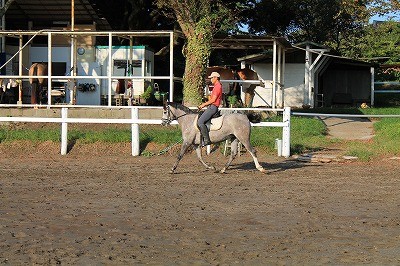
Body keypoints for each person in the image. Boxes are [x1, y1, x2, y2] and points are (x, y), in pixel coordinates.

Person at [197, 71, 223, 146]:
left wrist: (203, 105)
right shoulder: (217, 86)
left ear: (216, 78)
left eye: (212, 78)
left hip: (213, 107)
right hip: (212, 107)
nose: (211, 79)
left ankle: (207, 140)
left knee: (200, 122)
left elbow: (213, 100)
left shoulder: (217, 87)